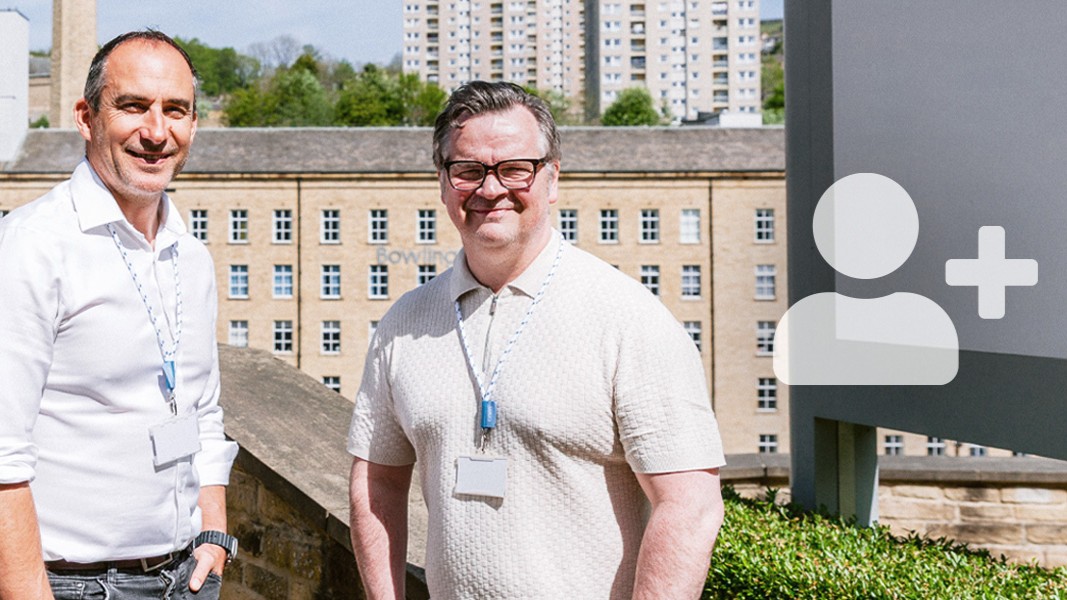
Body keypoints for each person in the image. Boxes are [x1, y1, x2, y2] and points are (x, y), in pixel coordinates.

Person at [348, 81, 726, 599]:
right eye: (468, 170)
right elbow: (377, 483)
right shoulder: (404, 323)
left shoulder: (628, 318)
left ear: (552, 179)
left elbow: (690, 505)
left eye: (515, 169)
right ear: (442, 182)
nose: (490, 189)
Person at [0, 31, 238, 599]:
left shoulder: (192, 256)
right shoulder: (33, 246)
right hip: (74, 584)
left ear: (193, 125)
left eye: (175, 111)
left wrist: (213, 533)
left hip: (186, 575)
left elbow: (203, 410)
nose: (156, 132)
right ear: (87, 118)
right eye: (133, 106)